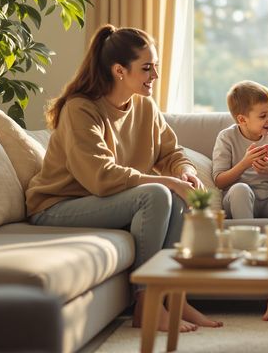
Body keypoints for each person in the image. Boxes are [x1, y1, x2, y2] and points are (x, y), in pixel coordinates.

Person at [24, 24, 221, 333]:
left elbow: (171, 152)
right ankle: (146, 303)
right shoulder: (80, 109)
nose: (155, 75)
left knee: (176, 194)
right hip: (57, 206)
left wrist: (185, 172)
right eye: (147, 68)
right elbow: (101, 177)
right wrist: (169, 182)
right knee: (158, 194)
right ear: (119, 71)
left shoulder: (145, 107)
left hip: (102, 203)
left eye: (155, 66)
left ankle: (172, 297)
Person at [212, 80, 268, 322]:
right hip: (240, 199)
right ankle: (249, 261)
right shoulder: (227, 137)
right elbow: (219, 180)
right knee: (240, 189)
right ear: (242, 119)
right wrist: (244, 163)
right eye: (263, 115)